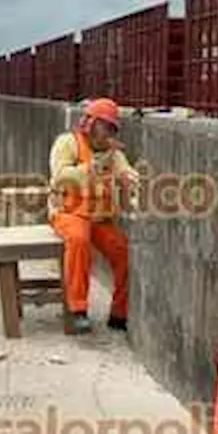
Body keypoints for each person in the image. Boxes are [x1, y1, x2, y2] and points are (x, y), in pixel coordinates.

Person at [48, 97, 139, 334]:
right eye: (103, 126)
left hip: (99, 218)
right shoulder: (67, 143)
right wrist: (89, 169)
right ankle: (78, 308)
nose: (107, 132)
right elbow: (60, 176)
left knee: (123, 252)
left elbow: (125, 170)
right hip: (69, 213)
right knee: (79, 240)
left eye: (111, 127)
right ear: (90, 124)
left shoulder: (113, 154)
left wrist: (130, 179)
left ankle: (119, 314)